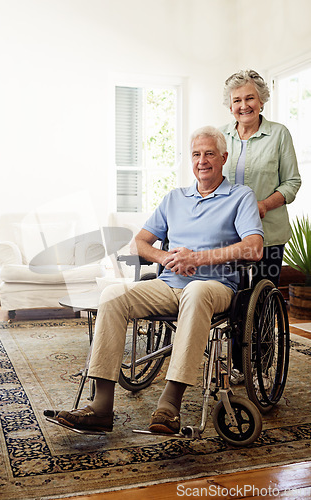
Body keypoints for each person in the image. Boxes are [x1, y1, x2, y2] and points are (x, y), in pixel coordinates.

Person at [55, 126, 264, 434]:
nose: (202, 161)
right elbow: (138, 243)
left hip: (216, 287)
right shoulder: (175, 198)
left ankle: (169, 405)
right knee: (113, 296)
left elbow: (254, 247)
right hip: (169, 284)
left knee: (196, 291)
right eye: (196, 154)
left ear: (223, 157)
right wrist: (166, 258)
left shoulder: (239, 196)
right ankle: (101, 407)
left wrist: (198, 258)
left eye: (209, 154)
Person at [220, 69, 301, 288]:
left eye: (250, 98)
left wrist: (264, 205)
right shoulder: (219, 136)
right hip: (227, 232)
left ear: (262, 101)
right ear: (230, 106)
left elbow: (292, 182)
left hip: (269, 233)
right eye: (237, 100)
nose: (244, 105)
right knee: (227, 295)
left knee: (261, 295)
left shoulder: (279, 134)